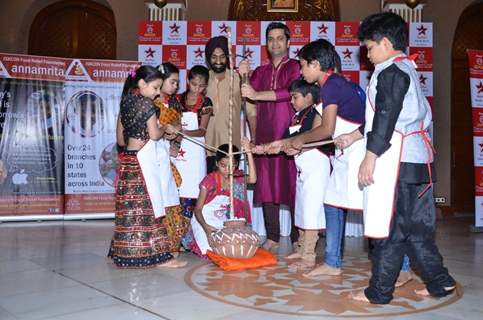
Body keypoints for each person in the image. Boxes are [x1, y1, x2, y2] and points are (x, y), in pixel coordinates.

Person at [336, 12, 455, 303]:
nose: (367, 54)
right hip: (418, 164)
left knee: (390, 229)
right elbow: (387, 115)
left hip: (398, 163)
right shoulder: (405, 68)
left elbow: (387, 116)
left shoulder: (390, 72)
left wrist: (370, 155)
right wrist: (356, 135)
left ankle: (378, 292)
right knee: (417, 231)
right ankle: (441, 282)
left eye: (369, 47)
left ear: (386, 43)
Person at [268, 39, 366, 275]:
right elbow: (323, 131)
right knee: (333, 204)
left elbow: (326, 130)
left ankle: (400, 263)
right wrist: (291, 142)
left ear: (315, 64)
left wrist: (296, 141)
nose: (300, 71)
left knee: (372, 209)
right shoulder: (330, 86)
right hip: (345, 152)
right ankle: (332, 263)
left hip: (358, 151)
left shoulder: (331, 85)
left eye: (302, 66)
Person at [108, 65, 187, 268]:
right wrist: (163, 127)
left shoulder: (125, 103)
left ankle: (126, 252)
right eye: (155, 88)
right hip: (143, 162)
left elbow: (120, 140)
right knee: (150, 209)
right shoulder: (147, 104)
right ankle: (158, 257)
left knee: (131, 210)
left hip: (128, 160)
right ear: (142, 84)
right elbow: (154, 135)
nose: (158, 92)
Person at [239, 22, 300, 252]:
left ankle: (297, 238)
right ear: (266, 43)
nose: (275, 43)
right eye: (271, 39)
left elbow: (290, 91)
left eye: (279, 38)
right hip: (264, 136)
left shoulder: (295, 67)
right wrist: (244, 76)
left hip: (289, 136)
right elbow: (248, 101)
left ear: (288, 42)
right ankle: (273, 236)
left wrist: (256, 93)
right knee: (266, 187)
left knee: (293, 187)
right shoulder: (261, 72)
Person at [265, 79, 332, 270]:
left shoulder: (317, 112)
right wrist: (267, 147)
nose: (291, 101)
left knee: (312, 211)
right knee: (302, 208)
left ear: (309, 97)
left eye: (295, 97)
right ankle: (301, 248)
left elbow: (318, 137)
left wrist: (292, 146)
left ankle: (309, 255)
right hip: (303, 169)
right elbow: (286, 140)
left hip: (317, 166)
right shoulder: (297, 116)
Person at [187, 139, 256, 257]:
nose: (227, 170)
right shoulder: (209, 181)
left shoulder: (236, 178)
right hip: (204, 220)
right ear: (217, 163)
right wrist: (207, 229)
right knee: (210, 251)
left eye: (232, 166)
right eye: (223, 165)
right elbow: (197, 210)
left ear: (236, 165)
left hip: (221, 221)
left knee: (232, 247)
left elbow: (253, 180)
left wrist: (248, 152)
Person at [204, 36, 256, 173]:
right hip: (204, 147)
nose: (218, 61)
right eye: (214, 57)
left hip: (231, 148)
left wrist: (254, 138)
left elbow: (251, 112)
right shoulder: (203, 80)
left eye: (222, 56)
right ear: (208, 58)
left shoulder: (238, 78)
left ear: (227, 57)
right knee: (209, 190)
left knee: (230, 191)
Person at [175, 65, 213, 250]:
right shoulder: (177, 99)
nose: (197, 89)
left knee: (192, 194)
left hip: (195, 149)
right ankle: (177, 237)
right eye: (194, 84)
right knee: (177, 192)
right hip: (177, 149)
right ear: (188, 81)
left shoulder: (206, 102)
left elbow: (202, 130)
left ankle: (190, 238)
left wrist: (183, 131)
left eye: (201, 86)